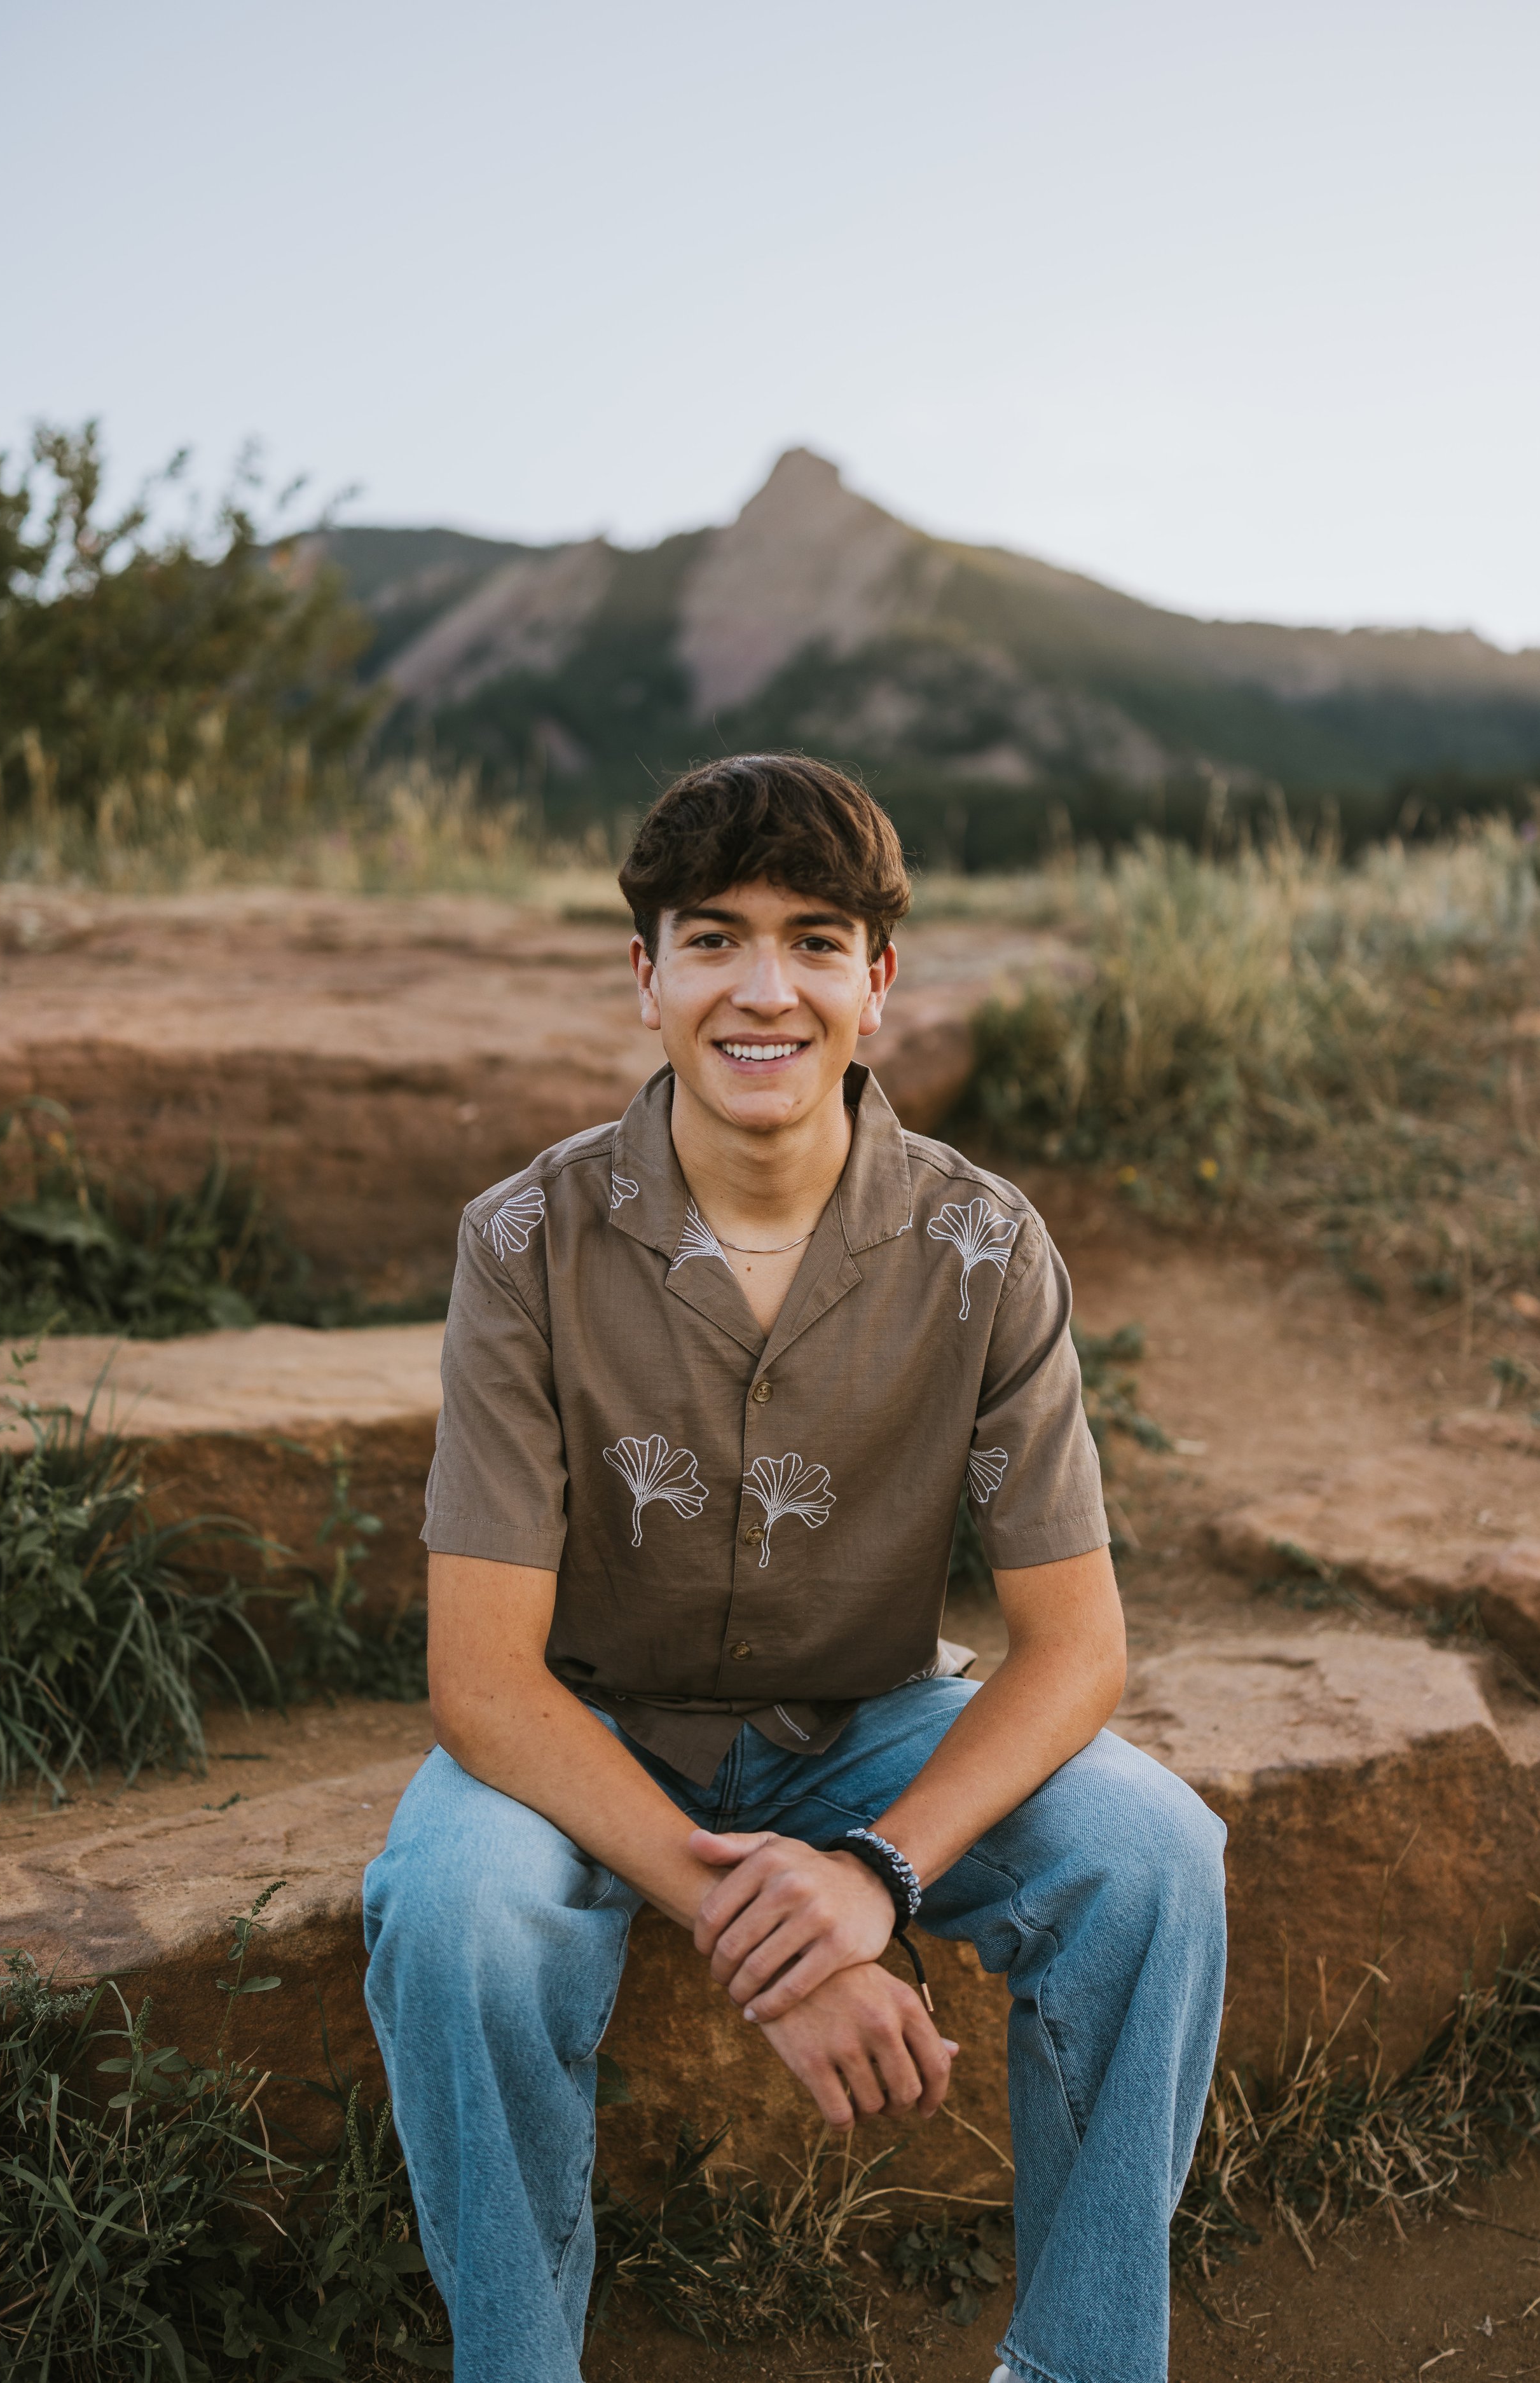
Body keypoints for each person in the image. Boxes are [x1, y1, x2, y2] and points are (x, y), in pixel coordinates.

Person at [362, 753, 1227, 2383]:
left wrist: (871, 1878)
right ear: (646, 976)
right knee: (454, 1910)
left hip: (874, 1724)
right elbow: (481, 1681)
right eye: (714, 939)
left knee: (1155, 1853)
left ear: (876, 982)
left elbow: (1075, 1645)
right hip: (592, 1730)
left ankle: (1079, 2366)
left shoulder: (982, 1245)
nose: (765, 990)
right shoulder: (524, 1243)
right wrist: (763, 1931)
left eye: (816, 941)